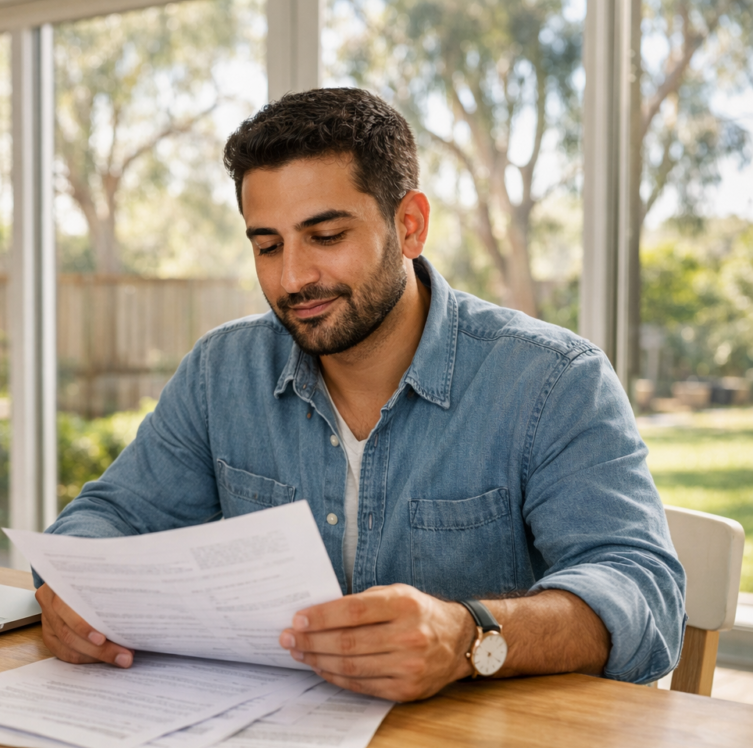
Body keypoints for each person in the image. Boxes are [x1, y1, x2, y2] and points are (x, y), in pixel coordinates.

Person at [34, 88, 685, 702]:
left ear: (409, 225)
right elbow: (107, 517)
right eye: (267, 245)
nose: (292, 278)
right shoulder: (220, 370)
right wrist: (70, 590)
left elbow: (644, 595)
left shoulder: (552, 379)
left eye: (326, 236)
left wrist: (470, 636)